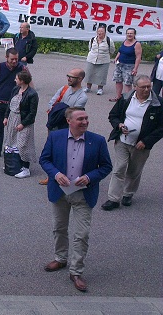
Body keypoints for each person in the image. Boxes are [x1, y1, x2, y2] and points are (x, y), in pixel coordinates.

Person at [39, 108, 112, 293]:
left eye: (86, 118)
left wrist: (89, 177)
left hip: (83, 195)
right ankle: (60, 258)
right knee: (59, 228)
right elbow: (44, 160)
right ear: (69, 121)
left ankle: (76, 271)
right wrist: (56, 174)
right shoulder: (55, 137)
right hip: (59, 192)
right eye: (80, 119)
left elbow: (106, 166)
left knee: (82, 234)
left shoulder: (98, 140)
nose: (85, 122)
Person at [102, 76, 162, 211]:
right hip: (122, 141)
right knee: (119, 168)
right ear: (135, 87)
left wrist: (146, 141)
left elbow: (161, 128)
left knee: (134, 171)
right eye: (143, 87)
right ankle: (113, 199)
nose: (147, 89)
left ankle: (128, 194)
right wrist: (119, 125)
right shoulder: (125, 98)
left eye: (149, 86)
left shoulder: (158, 103)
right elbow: (113, 115)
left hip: (141, 146)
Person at [0, 48, 29, 158]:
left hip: (16, 105)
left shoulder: (22, 68)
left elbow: (29, 85)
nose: (15, 61)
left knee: (15, 129)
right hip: (0, 102)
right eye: (12, 59)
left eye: (16, 59)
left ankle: (14, 151)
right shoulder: (0, 67)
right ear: (6, 58)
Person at [3, 70, 39, 178]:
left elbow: (32, 113)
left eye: (16, 78)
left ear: (22, 80)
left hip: (23, 121)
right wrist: (6, 117)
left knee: (23, 144)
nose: (15, 80)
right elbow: (9, 104)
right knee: (11, 142)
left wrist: (23, 124)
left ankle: (26, 168)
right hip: (12, 118)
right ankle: (13, 164)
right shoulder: (16, 89)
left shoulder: (32, 94)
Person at [111, 27, 142, 102]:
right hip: (119, 64)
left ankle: (127, 99)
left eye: (131, 33)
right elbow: (120, 51)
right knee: (118, 81)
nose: (129, 35)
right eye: (128, 33)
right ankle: (118, 97)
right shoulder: (124, 41)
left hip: (129, 66)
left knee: (128, 83)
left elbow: (138, 57)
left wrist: (135, 68)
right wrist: (116, 58)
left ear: (134, 34)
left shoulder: (137, 44)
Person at [84, 26, 114, 95]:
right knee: (89, 73)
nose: (100, 33)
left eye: (102, 31)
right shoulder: (92, 39)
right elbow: (90, 48)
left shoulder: (109, 40)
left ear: (105, 33)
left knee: (101, 75)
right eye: (99, 31)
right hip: (91, 59)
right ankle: (88, 87)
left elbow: (112, 50)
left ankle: (100, 89)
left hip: (104, 60)